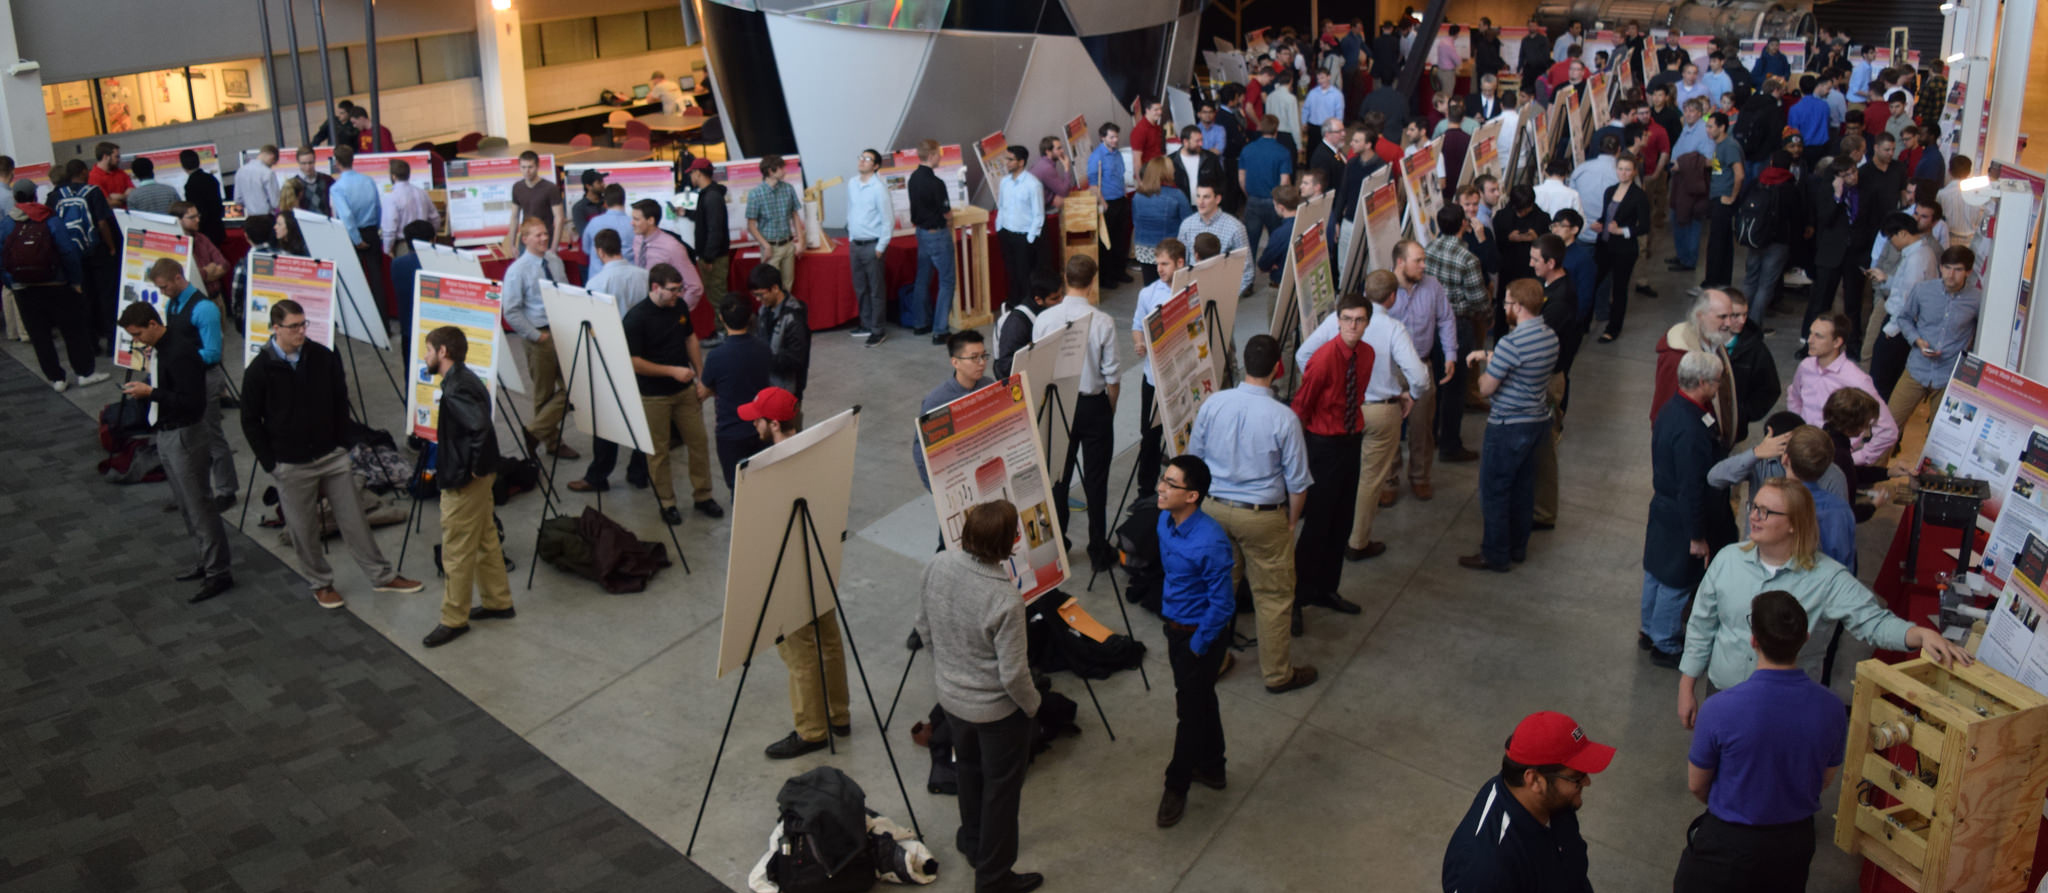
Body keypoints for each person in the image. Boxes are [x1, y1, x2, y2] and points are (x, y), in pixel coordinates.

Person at [1679, 479, 1971, 723]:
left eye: (1766, 511)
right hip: (1723, 695)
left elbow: (1873, 622)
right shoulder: (1728, 559)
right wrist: (1687, 685)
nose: (1754, 516)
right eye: (1754, 507)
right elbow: (1702, 624)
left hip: (1787, 711)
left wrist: (1918, 633)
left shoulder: (1828, 578)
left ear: (1794, 524)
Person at [241, 298, 423, 609]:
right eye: (294, 326)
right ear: (276, 329)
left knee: (354, 519)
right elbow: (249, 420)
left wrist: (342, 442)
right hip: (291, 463)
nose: (301, 331)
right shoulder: (260, 370)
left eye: (303, 324)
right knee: (303, 529)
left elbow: (341, 401)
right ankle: (321, 583)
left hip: (332, 455)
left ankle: (382, 576)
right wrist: (272, 463)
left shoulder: (322, 357)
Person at [1673, 591, 1846, 893]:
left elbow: (1697, 785)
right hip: (1792, 841)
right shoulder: (1832, 708)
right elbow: (1825, 778)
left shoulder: (1719, 709)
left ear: (1753, 641)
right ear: (1805, 638)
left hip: (1728, 841)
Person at [914, 499, 1043, 893]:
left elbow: (923, 628)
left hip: (952, 703)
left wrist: (950, 672)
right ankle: (993, 877)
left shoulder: (937, 565)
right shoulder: (1005, 598)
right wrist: (1033, 705)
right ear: (1009, 543)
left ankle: (972, 841)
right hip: (996, 714)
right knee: (1002, 793)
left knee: (967, 771)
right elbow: (1014, 674)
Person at [727, 385, 856, 760]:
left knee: (798, 651)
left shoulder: (767, 468)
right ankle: (838, 714)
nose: (755, 426)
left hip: (787, 567)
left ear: (773, 423)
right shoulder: (818, 450)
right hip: (820, 558)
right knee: (828, 640)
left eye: (759, 420)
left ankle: (812, 730)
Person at [1187, 334, 1317, 694]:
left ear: (1244, 364)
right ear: (1279, 368)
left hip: (1213, 511)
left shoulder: (1214, 404)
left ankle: (1213, 661)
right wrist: (1290, 523)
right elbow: (1298, 483)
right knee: (1273, 596)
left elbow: (1193, 461)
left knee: (1215, 591)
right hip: (1261, 516)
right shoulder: (1284, 418)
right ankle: (1277, 674)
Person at [119, 301, 234, 602]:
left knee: (199, 505)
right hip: (169, 433)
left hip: (184, 434)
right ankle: (206, 562)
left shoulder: (180, 352)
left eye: (138, 333)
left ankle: (218, 571)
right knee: (186, 504)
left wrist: (150, 393)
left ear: (153, 325)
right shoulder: (161, 349)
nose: (137, 340)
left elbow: (192, 402)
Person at [1151, 453, 1236, 828]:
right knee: (1201, 699)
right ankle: (1214, 767)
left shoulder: (1211, 542)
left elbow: (1222, 605)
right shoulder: (1163, 522)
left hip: (1200, 636)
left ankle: (1177, 784)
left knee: (1189, 711)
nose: (1161, 488)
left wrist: (1198, 647)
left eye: (1171, 484)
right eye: (1163, 479)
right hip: (1175, 627)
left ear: (1192, 496)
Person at [417, 326, 514, 647]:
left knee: (456, 551)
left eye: (429, 350)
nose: (426, 356)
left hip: (464, 482)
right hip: (479, 478)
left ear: (443, 351)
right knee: (485, 538)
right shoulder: (466, 379)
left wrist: (471, 468)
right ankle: (498, 601)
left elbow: (480, 429)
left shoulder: (457, 388)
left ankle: (453, 619)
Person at [1441, 711, 1613, 892]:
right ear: (1535, 780)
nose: (1587, 782)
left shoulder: (1553, 800)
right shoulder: (1486, 871)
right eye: (1577, 777)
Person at [602, 263, 717, 524]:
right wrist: (671, 371)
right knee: (659, 452)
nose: (678, 295)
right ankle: (667, 502)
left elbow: (690, 339)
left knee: (698, 442)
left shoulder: (679, 307)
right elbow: (633, 362)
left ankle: (703, 496)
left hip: (685, 391)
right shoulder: (636, 319)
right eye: (673, 290)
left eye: (680, 289)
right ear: (655, 288)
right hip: (653, 397)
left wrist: (702, 376)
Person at [1287, 292, 1378, 619]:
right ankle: (1295, 600)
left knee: (1341, 522)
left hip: (1351, 442)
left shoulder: (1367, 354)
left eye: (1359, 320)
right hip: (1323, 447)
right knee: (1317, 527)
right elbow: (1301, 406)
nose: (1353, 326)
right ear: (1338, 321)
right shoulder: (1324, 358)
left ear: (1368, 322)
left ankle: (1326, 588)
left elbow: (1358, 395)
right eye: (1347, 319)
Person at [1459, 279, 1557, 573]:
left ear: (1518, 307)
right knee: (1523, 487)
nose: (1503, 309)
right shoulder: (1549, 335)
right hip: (1536, 422)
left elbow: (1488, 387)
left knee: (1495, 489)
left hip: (1508, 425)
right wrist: (1490, 356)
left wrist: (1481, 375)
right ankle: (1517, 547)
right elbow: (1522, 366)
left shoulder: (1510, 342)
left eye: (1505, 304)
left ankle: (1495, 553)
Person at [1643, 351, 1729, 668]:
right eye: (1718, 381)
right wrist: (1696, 535)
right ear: (1703, 382)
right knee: (1676, 580)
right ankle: (1664, 642)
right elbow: (1691, 487)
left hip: (1664, 509)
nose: (1719, 387)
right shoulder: (1692, 429)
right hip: (1682, 516)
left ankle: (1649, 629)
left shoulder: (1674, 408)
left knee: (1656, 571)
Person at [1034, 256, 1121, 571]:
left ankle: (1059, 547)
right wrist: (1108, 410)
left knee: (1058, 477)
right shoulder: (1103, 321)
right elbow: (1112, 376)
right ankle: (1098, 549)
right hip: (1092, 403)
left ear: (1064, 279)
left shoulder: (1044, 319)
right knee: (1097, 481)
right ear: (1093, 281)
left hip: (1058, 404)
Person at [149, 260, 237, 509]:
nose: (162, 292)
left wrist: (179, 360)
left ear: (178, 278)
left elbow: (212, 353)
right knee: (187, 436)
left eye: (164, 287)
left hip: (204, 377)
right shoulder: (174, 304)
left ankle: (226, 489)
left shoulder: (204, 309)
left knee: (211, 436)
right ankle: (192, 491)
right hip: (185, 377)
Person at [3, 182, 104, 391]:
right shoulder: (50, 219)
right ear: (35, 196)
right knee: (73, 330)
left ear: (15, 198)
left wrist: (11, 282)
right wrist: (75, 280)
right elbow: (68, 251)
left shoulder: (6, 223)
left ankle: (57, 378)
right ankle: (84, 372)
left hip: (24, 287)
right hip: (57, 284)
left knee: (40, 335)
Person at [1386, 240, 1458, 500]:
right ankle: (1389, 481)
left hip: (1422, 366)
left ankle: (1420, 477)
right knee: (1390, 429)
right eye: (1418, 260)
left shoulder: (1432, 286)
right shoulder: (1384, 289)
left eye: (1424, 260)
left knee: (1422, 428)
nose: (1424, 265)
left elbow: (1446, 319)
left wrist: (1450, 353)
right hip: (1389, 370)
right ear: (1400, 262)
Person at [500, 217, 577, 460]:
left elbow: (564, 292)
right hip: (540, 336)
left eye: (545, 233)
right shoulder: (517, 271)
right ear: (525, 240)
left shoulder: (554, 261)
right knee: (543, 393)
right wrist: (536, 336)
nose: (544, 238)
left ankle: (533, 431)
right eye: (537, 235)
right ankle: (552, 443)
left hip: (562, 331)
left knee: (574, 390)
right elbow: (510, 310)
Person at [1888, 246, 1980, 432]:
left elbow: (1979, 334)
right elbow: (1904, 318)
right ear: (1940, 267)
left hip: (1949, 375)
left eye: (1958, 269)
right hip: (1917, 368)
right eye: (1947, 267)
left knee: (1941, 435)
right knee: (1888, 426)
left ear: (1968, 272)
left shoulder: (1977, 300)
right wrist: (1917, 340)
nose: (1951, 274)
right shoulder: (1923, 290)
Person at [1789, 313, 1899, 464]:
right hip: (1801, 453)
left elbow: (1888, 430)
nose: (1809, 340)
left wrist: (1854, 459)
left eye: (1818, 336)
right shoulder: (1805, 366)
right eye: (1810, 333)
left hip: (1833, 460)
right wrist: (1796, 432)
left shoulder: (1857, 380)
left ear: (1837, 342)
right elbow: (1794, 397)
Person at [697, 300, 774, 491]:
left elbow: (702, 391)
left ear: (722, 319)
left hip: (730, 431)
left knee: (738, 488)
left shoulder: (716, 356)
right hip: (761, 427)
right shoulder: (764, 348)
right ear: (749, 318)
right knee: (764, 485)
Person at [1131, 240, 1188, 490]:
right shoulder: (1148, 293)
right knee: (1150, 436)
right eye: (1157, 264)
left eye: (1165, 264)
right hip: (1153, 378)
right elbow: (1136, 325)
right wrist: (1140, 342)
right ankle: (1145, 490)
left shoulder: (1189, 290)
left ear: (1180, 263)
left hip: (1182, 375)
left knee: (1184, 434)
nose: (1160, 269)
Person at [1654, 290, 1741, 453]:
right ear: (1700, 316)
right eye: (1722, 317)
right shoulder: (1677, 358)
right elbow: (1662, 411)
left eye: (1731, 316)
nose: (1729, 323)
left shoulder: (1714, 341)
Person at [915, 331, 996, 489]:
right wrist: (936, 490)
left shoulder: (988, 385)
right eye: (974, 358)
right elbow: (921, 453)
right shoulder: (936, 401)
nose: (981, 363)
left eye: (984, 356)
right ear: (955, 362)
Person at [1590, 153, 1647, 342]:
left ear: (1634, 172)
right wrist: (1599, 224)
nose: (1623, 173)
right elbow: (1606, 216)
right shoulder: (1609, 190)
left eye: (1627, 169)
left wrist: (1621, 231)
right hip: (1604, 246)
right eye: (1620, 169)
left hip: (1624, 250)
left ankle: (1613, 328)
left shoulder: (1639, 196)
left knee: (1619, 289)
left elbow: (1644, 226)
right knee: (1593, 282)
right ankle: (1584, 321)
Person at [1740, 151, 1800, 318]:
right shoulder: (1790, 188)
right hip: (1778, 242)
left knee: (1750, 280)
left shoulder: (1757, 181)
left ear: (1771, 162)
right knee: (1766, 285)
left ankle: (1738, 320)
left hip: (1755, 238)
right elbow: (1796, 217)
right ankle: (1754, 325)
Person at [328, 146, 388, 314]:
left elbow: (346, 216)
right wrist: (375, 230)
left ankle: (364, 321)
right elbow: (378, 207)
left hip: (352, 235)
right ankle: (384, 323)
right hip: (371, 230)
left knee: (356, 280)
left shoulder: (337, 188)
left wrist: (356, 238)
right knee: (377, 279)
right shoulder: (368, 180)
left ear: (337, 163)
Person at [845, 148, 894, 346]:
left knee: (876, 290)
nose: (862, 161)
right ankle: (865, 323)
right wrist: (851, 236)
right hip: (855, 243)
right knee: (860, 287)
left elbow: (887, 220)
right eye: (861, 157)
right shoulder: (852, 183)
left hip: (872, 245)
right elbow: (850, 210)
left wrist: (881, 247)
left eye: (867, 159)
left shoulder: (878, 188)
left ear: (875, 166)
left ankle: (878, 329)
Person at [993, 146, 1047, 320]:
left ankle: (1027, 307)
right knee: (1011, 271)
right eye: (1006, 159)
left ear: (1021, 162)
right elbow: (1001, 206)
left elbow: (1039, 214)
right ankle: (1014, 304)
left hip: (1024, 237)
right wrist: (999, 227)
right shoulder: (1004, 182)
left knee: (1025, 274)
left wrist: (1030, 237)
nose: (1006, 163)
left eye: (1010, 159)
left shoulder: (1033, 184)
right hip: (1006, 233)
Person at [1237, 115, 1293, 270]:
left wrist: (1249, 195)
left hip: (1253, 201)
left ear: (1260, 128)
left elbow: (1241, 178)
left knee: (1250, 243)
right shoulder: (1283, 152)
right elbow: (1284, 181)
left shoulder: (1247, 149)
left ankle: (1247, 281)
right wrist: (1279, 201)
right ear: (1276, 130)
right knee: (1277, 240)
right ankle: (1276, 276)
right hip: (1274, 202)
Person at [751, 264, 811, 407]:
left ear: (775, 288)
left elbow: (796, 359)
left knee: (788, 429)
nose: (758, 300)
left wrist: (763, 358)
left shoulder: (794, 318)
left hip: (788, 392)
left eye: (761, 295)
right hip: (768, 386)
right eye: (755, 295)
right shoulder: (764, 310)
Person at [1178, 183, 1254, 296]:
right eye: (1198, 196)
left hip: (1222, 292)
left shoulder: (1235, 228)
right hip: (1192, 294)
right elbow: (1181, 261)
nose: (1200, 202)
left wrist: (1229, 297)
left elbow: (1247, 269)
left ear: (1217, 199)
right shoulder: (1187, 225)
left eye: (1206, 197)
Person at [629, 198, 701, 313]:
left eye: (636, 219)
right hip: (645, 307)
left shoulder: (672, 248)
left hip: (666, 309)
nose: (631, 223)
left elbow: (695, 287)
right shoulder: (637, 240)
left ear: (650, 220)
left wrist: (679, 313)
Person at [746, 154, 804, 292]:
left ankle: (785, 313)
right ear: (771, 171)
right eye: (781, 168)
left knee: (788, 286)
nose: (785, 171)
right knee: (769, 288)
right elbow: (751, 225)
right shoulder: (755, 194)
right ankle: (772, 314)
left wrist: (800, 241)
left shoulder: (788, 189)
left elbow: (795, 215)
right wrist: (765, 245)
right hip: (771, 248)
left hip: (788, 245)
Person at [1701, 113, 1745, 289]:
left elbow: (1739, 174)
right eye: (1707, 126)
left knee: (1717, 243)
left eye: (1711, 126)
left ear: (1722, 127)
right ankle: (1721, 281)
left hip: (1723, 199)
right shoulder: (1720, 145)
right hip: (1717, 197)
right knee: (1723, 242)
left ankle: (1711, 282)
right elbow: (1721, 168)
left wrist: (1732, 197)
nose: (1708, 130)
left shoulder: (1730, 146)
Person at [992, 270, 1058, 380]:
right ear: (1038, 300)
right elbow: (1005, 366)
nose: (1061, 301)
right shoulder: (1017, 324)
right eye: (1055, 298)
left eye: (1061, 296)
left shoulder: (1043, 311)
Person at [685, 158, 731, 312]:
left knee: (717, 295)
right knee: (715, 294)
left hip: (714, 257)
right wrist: (685, 212)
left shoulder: (711, 197)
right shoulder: (709, 195)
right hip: (713, 255)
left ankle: (724, 331)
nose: (690, 177)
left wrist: (709, 257)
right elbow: (705, 218)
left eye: (691, 173)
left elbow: (714, 229)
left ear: (698, 173)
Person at [504, 150, 565, 254]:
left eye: (530, 167)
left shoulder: (550, 188)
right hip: (525, 241)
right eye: (523, 167)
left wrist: (554, 247)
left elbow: (559, 218)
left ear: (537, 166)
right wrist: (512, 244)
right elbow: (514, 216)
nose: (527, 171)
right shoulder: (517, 187)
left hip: (545, 240)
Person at [389, 219, 436, 350]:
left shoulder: (396, 264)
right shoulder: (435, 266)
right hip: (434, 330)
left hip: (408, 329)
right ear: (433, 240)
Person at [379, 158, 439, 255]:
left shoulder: (391, 198)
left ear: (393, 177)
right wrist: (431, 235)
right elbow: (435, 218)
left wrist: (387, 249)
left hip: (404, 246)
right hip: (425, 244)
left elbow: (389, 228)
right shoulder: (422, 193)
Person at [170, 201, 229, 299]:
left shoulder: (201, 238)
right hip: (194, 301)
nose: (197, 220)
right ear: (178, 220)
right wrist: (206, 272)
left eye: (198, 216)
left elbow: (224, 264)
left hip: (215, 297)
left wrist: (202, 274)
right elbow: (187, 277)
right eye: (192, 217)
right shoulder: (174, 244)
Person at [178, 149, 226, 246]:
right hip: (218, 226)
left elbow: (195, 210)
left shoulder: (190, 185)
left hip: (204, 230)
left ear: (183, 166)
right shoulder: (211, 178)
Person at [238, 145, 282, 248]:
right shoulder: (268, 173)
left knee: (255, 249)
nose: (272, 166)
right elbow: (275, 202)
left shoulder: (241, 171)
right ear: (272, 156)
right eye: (273, 163)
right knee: (271, 249)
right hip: (266, 219)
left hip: (250, 219)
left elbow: (238, 199)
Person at [580, 183, 635, 266]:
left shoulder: (594, 222)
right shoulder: (634, 224)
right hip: (628, 275)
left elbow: (586, 249)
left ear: (605, 202)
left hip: (598, 275)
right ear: (624, 200)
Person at [292, 147, 334, 216]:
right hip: (306, 223)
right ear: (298, 162)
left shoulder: (327, 180)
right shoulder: (293, 184)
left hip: (326, 223)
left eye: (310, 163)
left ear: (315, 161)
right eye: (303, 163)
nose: (307, 167)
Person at [1130, 98, 1167, 168]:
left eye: (1160, 109)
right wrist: (1140, 179)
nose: (1160, 112)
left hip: (1158, 169)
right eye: (1156, 110)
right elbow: (1136, 160)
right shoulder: (1139, 130)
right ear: (1147, 110)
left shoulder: (1156, 126)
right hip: (1147, 173)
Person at [570, 169, 607, 237]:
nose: (603, 184)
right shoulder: (579, 208)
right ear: (588, 186)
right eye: (599, 182)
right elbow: (583, 233)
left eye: (602, 181)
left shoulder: (608, 203)